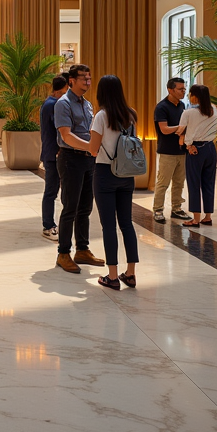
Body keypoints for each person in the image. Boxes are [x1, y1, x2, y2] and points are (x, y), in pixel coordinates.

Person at [86, 75, 140, 290]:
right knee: (127, 223)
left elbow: (93, 149)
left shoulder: (101, 116)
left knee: (109, 225)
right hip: (127, 174)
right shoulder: (131, 114)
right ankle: (131, 274)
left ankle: (112, 276)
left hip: (105, 173)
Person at [53, 64, 105, 273]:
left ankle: (82, 250)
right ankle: (63, 253)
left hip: (88, 160)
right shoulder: (62, 104)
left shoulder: (88, 104)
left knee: (85, 208)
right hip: (70, 159)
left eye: (89, 78)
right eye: (83, 78)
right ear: (71, 81)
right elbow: (66, 135)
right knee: (70, 208)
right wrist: (91, 147)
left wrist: (93, 149)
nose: (88, 82)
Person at [153, 77, 193, 222]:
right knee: (163, 182)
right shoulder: (162, 107)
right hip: (167, 151)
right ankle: (158, 210)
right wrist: (180, 127)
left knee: (179, 182)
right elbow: (164, 129)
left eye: (184, 89)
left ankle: (176, 208)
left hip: (181, 150)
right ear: (170, 90)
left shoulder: (182, 106)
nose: (183, 92)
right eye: (180, 89)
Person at [179, 84, 217, 228]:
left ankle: (195, 219)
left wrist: (188, 144)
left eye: (190, 94)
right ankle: (207, 216)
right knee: (209, 183)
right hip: (210, 148)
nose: (189, 96)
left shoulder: (188, 112)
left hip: (195, 149)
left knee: (194, 183)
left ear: (195, 96)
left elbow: (180, 130)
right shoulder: (213, 109)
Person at [39, 75, 69, 241]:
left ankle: (51, 224)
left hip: (51, 153)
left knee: (52, 190)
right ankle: (48, 225)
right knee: (51, 191)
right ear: (61, 89)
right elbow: (60, 131)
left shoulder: (48, 103)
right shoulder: (54, 105)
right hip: (53, 155)